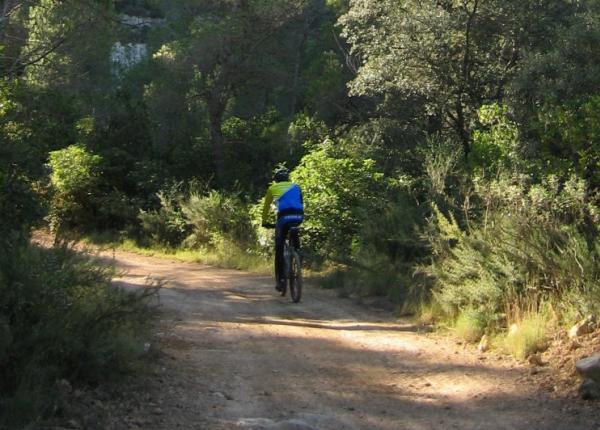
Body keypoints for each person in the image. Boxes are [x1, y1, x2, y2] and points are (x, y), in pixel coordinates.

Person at [261, 168, 304, 291]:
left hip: (284, 218)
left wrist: (264, 222)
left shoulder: (272, 188)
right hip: (298, 216)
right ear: (288, 178)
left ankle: (280, 280)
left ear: (276, 180)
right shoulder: (297, 186)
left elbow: (266, 207)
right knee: (294, 228)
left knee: (279, 248)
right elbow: (301, 202)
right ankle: (298, 251)